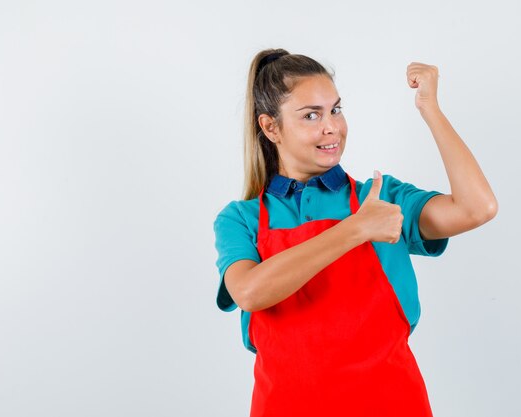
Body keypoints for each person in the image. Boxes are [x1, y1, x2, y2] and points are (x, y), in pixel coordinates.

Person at [213, 48, 497, 417]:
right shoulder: (241, 218)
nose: (331, 126)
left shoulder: (378, 197)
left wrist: (431, 110)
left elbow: (478, 207)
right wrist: (356, 229)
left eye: (336, 109)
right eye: (311, 115)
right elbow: (250, 292)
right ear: (270, 128)